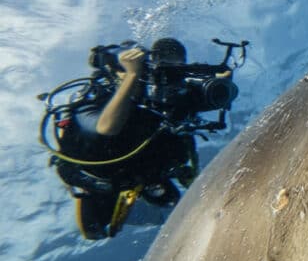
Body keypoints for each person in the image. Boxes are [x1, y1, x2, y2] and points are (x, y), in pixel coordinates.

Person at [51, 38, 200, 240]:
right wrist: (132, 75)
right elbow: (105, 128)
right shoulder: (94, 97)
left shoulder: (157, 99)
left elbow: (185, 134)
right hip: (101, 177)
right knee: (94, 229)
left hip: (140, 172)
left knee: (171, 201)